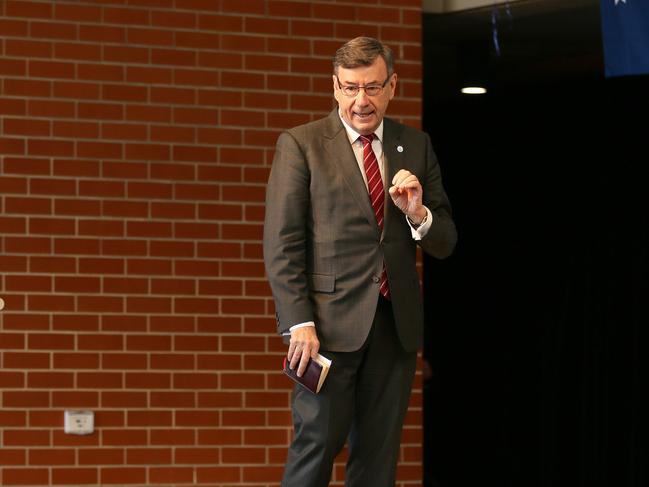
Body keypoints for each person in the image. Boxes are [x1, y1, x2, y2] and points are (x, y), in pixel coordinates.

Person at [263, 37, 457, 487]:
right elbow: (282, 243)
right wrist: (299, 323)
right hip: (324, 333)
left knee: (378, 457)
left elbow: (445, 240)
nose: (361, 100)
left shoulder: (416, 145)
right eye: (350, 87)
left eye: (371, 87)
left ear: (392, 85)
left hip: (395, 327)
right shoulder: (302, 144)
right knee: (315, 445)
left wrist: (417, 215)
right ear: (335, 87)